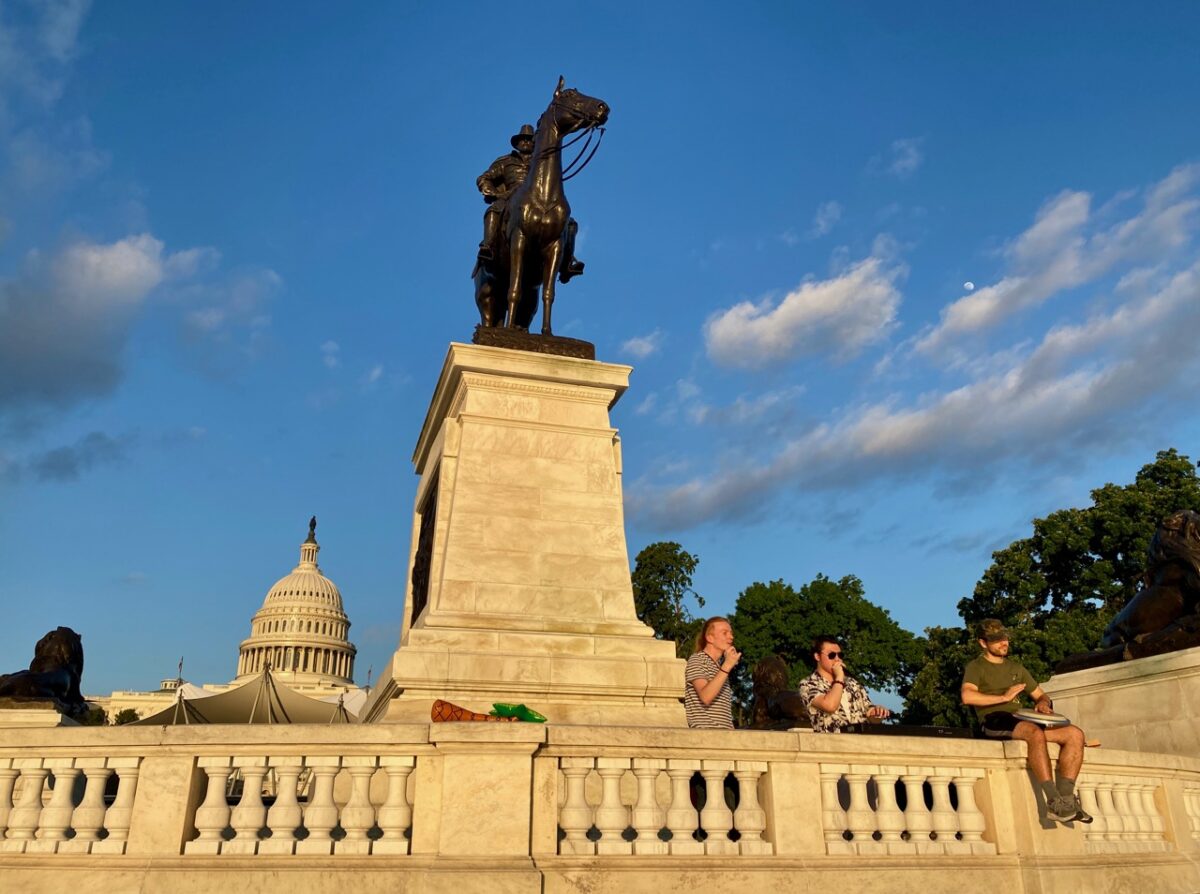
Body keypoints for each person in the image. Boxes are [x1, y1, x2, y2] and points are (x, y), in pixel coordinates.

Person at [961, 619, 1092, 824]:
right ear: (983, 643)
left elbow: (1041, 695)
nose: (1003, 643)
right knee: (1033, 732)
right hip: (994, 719)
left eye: (1004, 638)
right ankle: (1053, 800)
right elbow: (968, 697)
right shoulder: (976, 667)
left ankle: (1067, 800)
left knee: (1075, 734)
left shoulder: (1017, 667)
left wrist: (1042, 704)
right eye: (996, 640)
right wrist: (1004, 698)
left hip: (1022, 717)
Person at [475, 124, 585, 278]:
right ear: (517, 143)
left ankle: (567, 264)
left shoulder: (541, 161)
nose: (526, 142)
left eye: (529, 140)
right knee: (493, 211)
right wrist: (492, 192)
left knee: (570, 223)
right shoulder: (505, 161)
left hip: (537, 200)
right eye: (523, 140)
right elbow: (484, 178)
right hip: (510, 198)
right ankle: (488, 247)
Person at [799, 635, 892, 732]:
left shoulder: (852, 683)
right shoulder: (808, 684)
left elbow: (869, 714)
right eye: (832, 655)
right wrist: (839, 677)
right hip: (830, 743)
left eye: (840, 655)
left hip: (860, 742)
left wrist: (877, 712)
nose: (837, 659)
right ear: (817, 656)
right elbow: (830, 706)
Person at [684, 617, 740, 729]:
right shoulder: (697, 660)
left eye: (731, 633)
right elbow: (706, 696)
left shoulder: (719, 668)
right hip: (706, 734)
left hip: (724, 736)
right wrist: (727, 666)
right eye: (725, 633)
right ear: (710, 637)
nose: (731, 637)